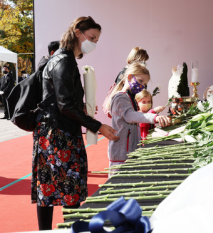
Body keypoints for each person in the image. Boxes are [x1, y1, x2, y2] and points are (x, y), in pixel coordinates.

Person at [32, 16, 119, 230]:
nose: (94, 43)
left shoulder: (63, 58)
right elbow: (65, 106)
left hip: (53, 132)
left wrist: (83, 109)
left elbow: (65, 101)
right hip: (58, 135)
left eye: (97, 40)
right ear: (78, 33)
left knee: (50, 188)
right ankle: (70, 229)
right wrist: (98, 126)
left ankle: (57, 230)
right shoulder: (64, 60)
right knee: (66, 189)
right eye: (92, 37)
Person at [108, 63, 170, 172]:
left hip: (129, 153)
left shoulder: (129, 97)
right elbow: (130, 115)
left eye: (144, 84)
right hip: (121, 156)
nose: (142, 86)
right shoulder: (120, 98)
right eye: (140, 81)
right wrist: (154, 117)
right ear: (129, 77)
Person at [102, 47, 149, 118]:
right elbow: (119, 88)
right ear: (134, 59)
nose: (143, 64)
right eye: (142, 60)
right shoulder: (125, 72)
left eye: (144, 61)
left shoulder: (137, 73)